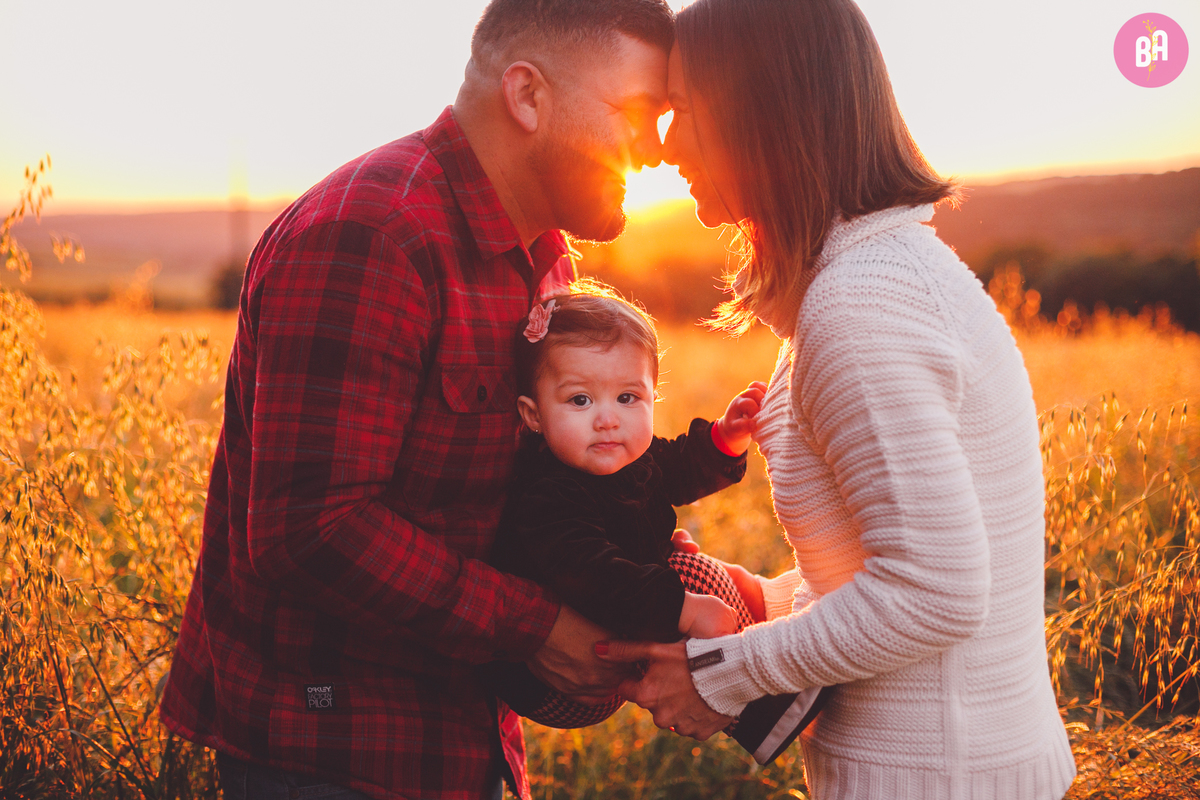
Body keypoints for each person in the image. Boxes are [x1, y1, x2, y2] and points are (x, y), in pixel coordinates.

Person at [158, 2, 677, 799]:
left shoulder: (542, 259)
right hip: (331, 747)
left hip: (460, 734)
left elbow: (527, 494)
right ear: (528, 96)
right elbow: (307, 530)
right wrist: (537, 627)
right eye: (637, 115)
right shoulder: (372, 237)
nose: (654, 152)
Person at [599, 0, 1079, 797]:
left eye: (684, 110)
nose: (665, 143)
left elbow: (935, 593)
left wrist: (723, 674)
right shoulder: (870, 279)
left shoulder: (859, 307)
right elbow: (886, 564)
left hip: (940, 778)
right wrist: (760, 597)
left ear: (765, 108)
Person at [480, 288, 827, 762]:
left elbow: (676, 466)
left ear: (651, 396)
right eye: (580, 400)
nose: (608, 420)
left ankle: (770, 674)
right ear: (533, 415)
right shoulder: (547, 495)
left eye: (627, 397)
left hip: (614, 627)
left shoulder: (630, 460)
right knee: (692, 583)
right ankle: (762, 709)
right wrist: (683, 608)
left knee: (708, 579)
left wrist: (723, 441)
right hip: (556, 677)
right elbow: (594, 574)